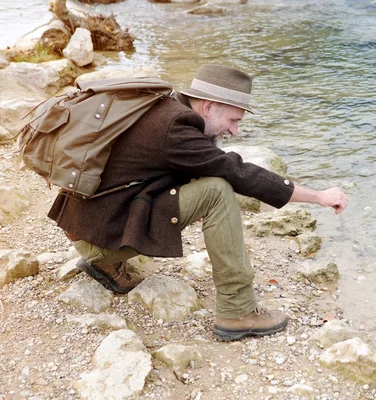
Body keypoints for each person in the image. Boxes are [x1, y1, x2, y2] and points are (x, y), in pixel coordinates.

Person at [48, 64, 348, 341]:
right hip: (95, 241)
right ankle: (237, 309)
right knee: (217, 190)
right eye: (233, 120)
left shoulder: (162, 107)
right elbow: (239, 173)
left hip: (82, 226)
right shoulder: (175, 128)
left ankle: (108, 265)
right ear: (208, 106)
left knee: (199, 181)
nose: (235, 130)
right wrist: (318, 197)